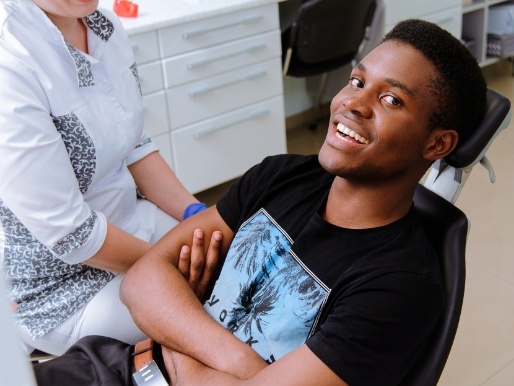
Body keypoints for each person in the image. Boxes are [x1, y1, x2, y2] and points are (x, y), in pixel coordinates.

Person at [32, 18, 487, 385]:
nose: (352, 103)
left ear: (436, 145)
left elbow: (160, 301)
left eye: (390, 99)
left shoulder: (400, 286)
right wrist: (244, 367)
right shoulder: (283, 175)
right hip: (115, 366)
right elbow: (143, 282)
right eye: (355, 80)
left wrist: (178, 330)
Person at [0, 0, 205, 356]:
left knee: (233, 260)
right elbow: (72, 234)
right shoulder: (10, 63)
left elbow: (134, 144)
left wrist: (195, 213)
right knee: (212, 312)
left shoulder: (103, 26)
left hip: (129, 221)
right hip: (59, 287)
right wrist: (171, 263)